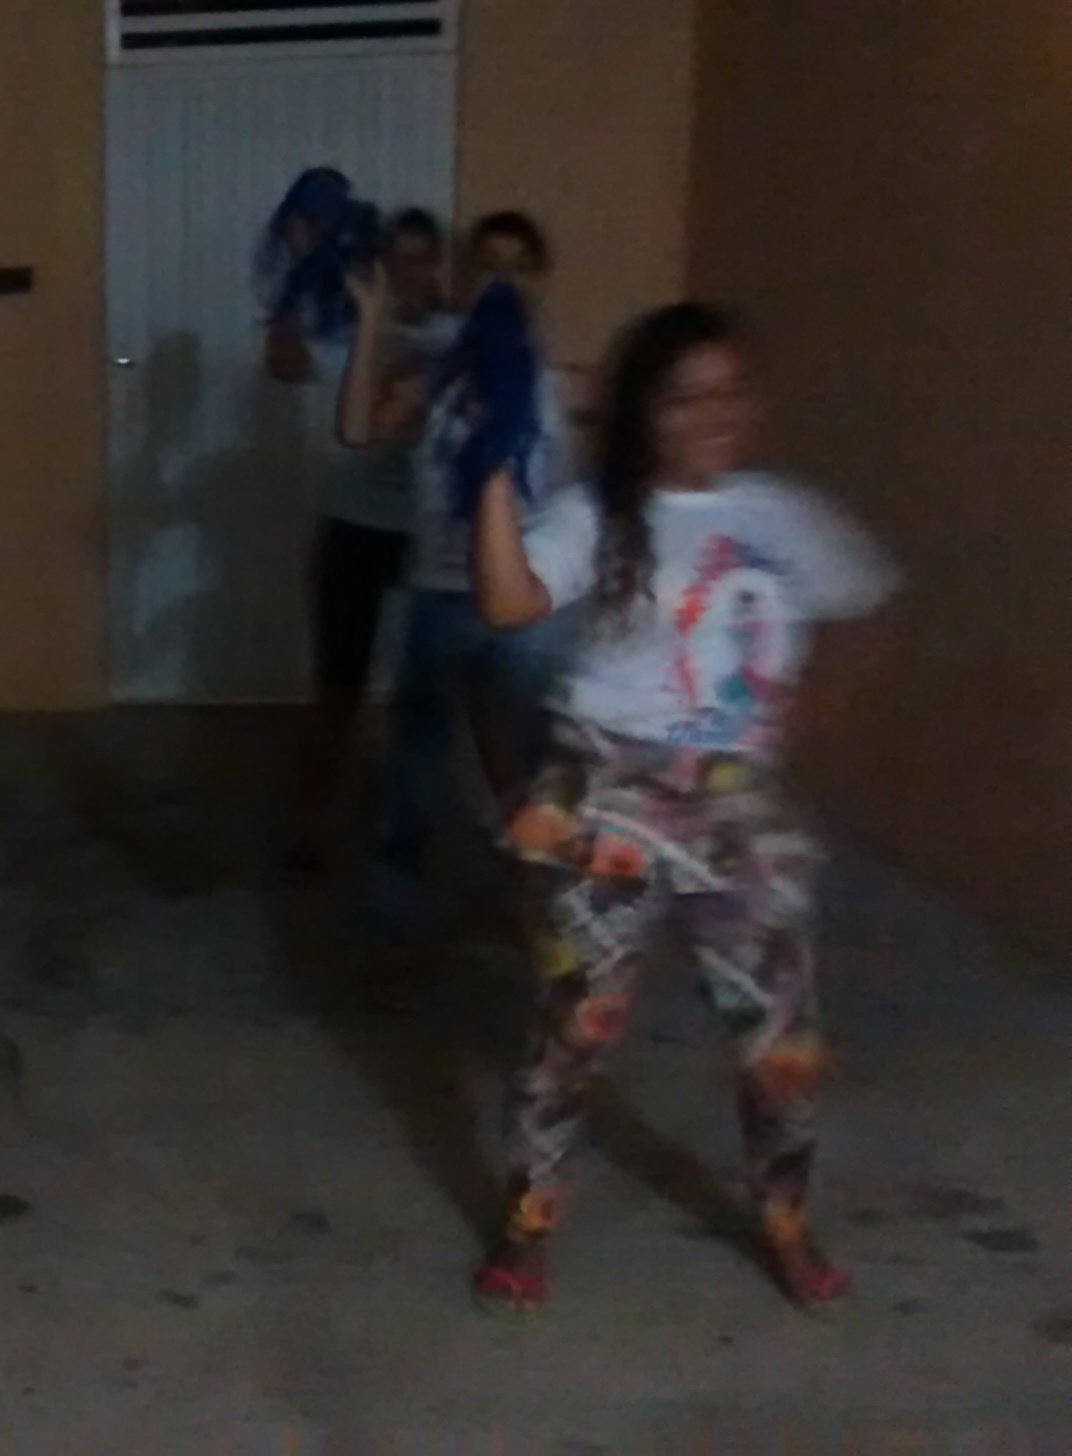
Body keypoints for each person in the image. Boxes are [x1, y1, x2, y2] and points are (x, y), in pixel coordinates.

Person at [466, 303, 896, 1312]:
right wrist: (488, 469)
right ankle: (528, 1224)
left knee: (782, 1042)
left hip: (740, 802)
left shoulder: (786, 516)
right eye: (685, 397)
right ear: (644, 412)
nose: (714, 414)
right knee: (576, 1029)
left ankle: (785, 1221)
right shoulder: (599, 515)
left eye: (731, 391)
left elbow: (866, 615)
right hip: (609, 789)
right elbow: (509, 601)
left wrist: (813, 736)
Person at [344, 210, 575, 968]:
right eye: (486, 265)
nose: (500, 280)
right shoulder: (437, 376)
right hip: (440, 595)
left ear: (537, 280)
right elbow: (358, 432)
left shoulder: (557, 383)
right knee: (416, 767)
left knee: (526, 770)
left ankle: (540, 913)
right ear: (465, 279)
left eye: (517, 266)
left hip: (527, 608)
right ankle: (394, 926)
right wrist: (371, 321)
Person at [281, 206, 455, 872]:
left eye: (421, 258)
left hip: (430, 535)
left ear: (437, 263)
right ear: (380, 265)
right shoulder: (351, 324)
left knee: (431, 693)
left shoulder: (458, 333)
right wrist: (298, 277)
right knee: (338, 689)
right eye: (397, 259)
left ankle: (416, 828)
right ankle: (310, 826)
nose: (409, 272)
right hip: (354, 528)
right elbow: (285, 362)